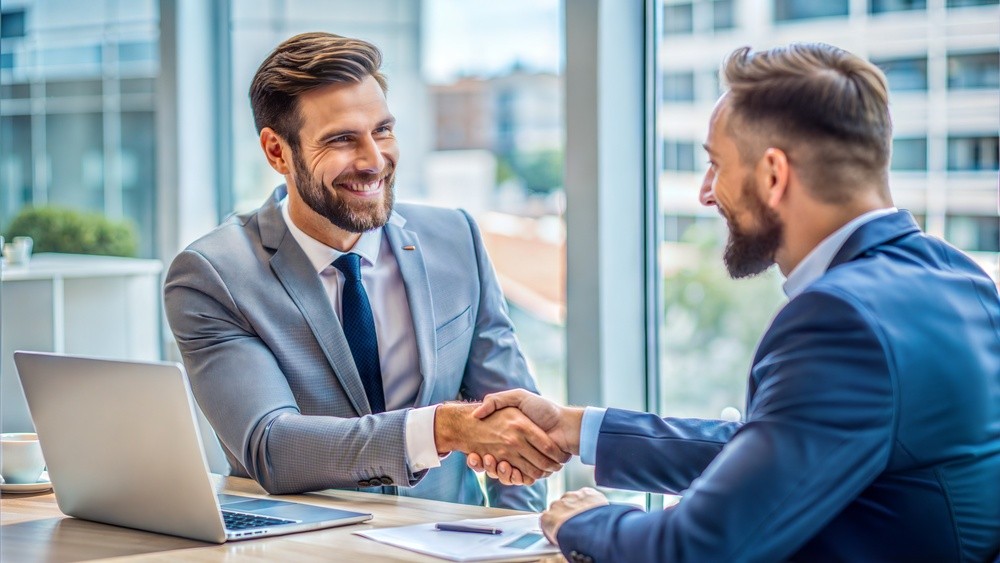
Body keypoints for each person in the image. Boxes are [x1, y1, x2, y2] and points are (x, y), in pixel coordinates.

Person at [469, 42, 1000, 561]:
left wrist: (583, 521)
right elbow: (781, 452)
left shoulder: (842, 320)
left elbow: (696, 548)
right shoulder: (957, 278)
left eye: (717, 165)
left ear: (773, 175)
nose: (706, 192)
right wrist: (577, 427)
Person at [163, 32, 566, 512]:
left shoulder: (455, 239)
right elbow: (271, 446)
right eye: (341, 139)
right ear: (277, 152)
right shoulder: (214, 276)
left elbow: (515, 426)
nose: (374, 161)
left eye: (382, 130)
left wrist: (511, 538)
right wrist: (439, 428)